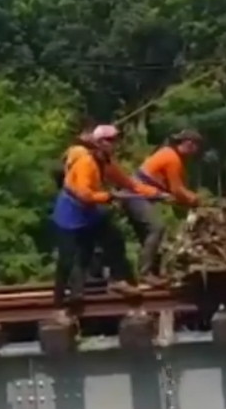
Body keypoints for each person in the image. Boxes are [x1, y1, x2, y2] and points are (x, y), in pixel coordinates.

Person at [50, 124, 151, 312]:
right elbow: (83, 194)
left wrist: (154, 193)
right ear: (98, 143)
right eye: (109, 140)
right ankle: (60, 302)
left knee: (114, 240)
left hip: (90, 213)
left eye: (115, 140)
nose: (114, 144)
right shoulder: (85, 162)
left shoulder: (106, 162)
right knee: (68, 260)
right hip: (70, 215)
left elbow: (128, 183)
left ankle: (119, 280)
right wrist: (109, 196)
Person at [126, 129, 204, 284]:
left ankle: (152, 274)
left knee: (150, 235)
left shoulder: (175, 159)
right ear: (188, 143)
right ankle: (145, 273)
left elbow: (176, 191)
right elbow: (177, 190)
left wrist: (186, 204)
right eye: (196, 146)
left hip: (140, 195)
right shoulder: (171, 158)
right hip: (135, 195)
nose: (197, 151)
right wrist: (195, 199)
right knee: (157, 228)